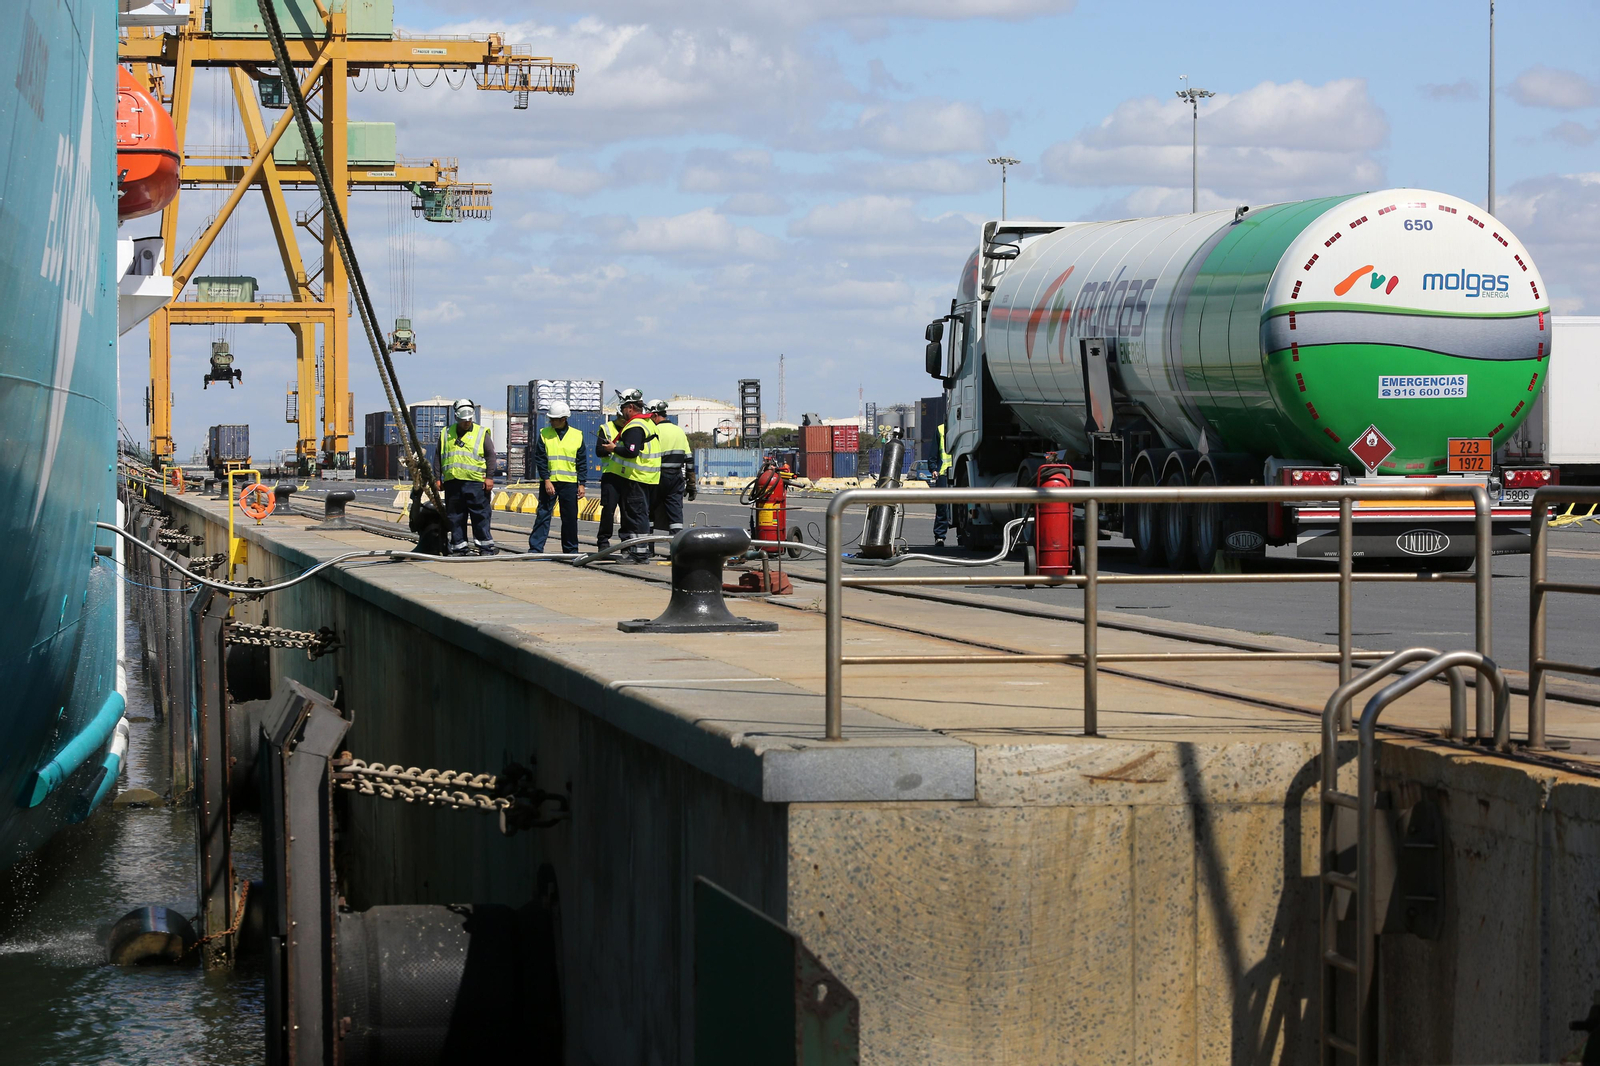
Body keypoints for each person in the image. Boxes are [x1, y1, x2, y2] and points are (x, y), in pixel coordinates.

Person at [434, 398, 498, 554]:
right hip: (453, 482)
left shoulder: (481, 433)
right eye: (464, 420)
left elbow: (491, 456)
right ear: (457, 417)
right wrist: (437, 478)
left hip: (476, 483)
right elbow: (438, 456)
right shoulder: (446, 433)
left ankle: (485, 547)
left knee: (480, 515)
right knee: (455, 517)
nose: (467, 422)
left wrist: (489, 477)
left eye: (469, 419)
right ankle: (459, 547)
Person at [528, 400, 588, 554]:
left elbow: (581, 461)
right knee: (543, 515)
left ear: (563, 419)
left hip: (569, 483)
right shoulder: (544, 434)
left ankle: (571, 550)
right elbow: (540, 459)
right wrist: (546, 480)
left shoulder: (577, 435)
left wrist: (582, 483)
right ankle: (535, 548)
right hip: (550, 483)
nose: (551, 422)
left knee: (569, 518)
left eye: (554, 419)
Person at [609, 388, 659, 562]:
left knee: (636, 516)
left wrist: (614, 448)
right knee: (641, 514)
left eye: (623, 407)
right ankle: (639, 551)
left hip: (636, 477)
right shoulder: (647, 423)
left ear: (630, 407)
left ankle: (639, 554)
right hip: (648, 477)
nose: (622, 411)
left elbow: (631, 451)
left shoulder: (635, 426)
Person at [647, 399, 695, 537]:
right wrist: (691, 484)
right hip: (675, 478)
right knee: (675, 515)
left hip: (655, 477)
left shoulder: (653, 430)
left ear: (655, 415)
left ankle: (648, 546)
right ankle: (676, 545)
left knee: (649, 512)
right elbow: (689, 460)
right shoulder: (679, 431)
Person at [593, 408, 629, 553]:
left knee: (627, 511)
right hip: (611, 476)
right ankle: (603, 542)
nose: (624, 421)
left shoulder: (633, 428)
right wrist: (610, 449)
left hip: (628, 475)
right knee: (608, 510)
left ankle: (626, 543)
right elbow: (599, 451)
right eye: (622, 418)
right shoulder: (606, 428)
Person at [933, 420, 952, 548]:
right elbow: (934, 450)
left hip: (959, 470)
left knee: (960, 505)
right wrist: (933, 468)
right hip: (944, 472)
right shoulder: (940, 429)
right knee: (942, 506)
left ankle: (961, 535)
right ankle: (939, 536)